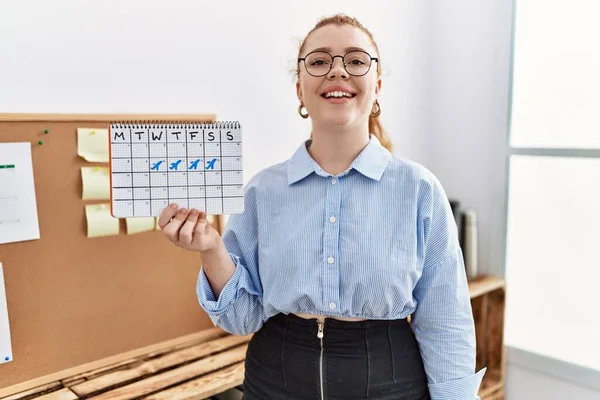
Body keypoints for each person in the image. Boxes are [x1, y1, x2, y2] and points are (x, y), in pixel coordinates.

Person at [158, 13, 486, 400]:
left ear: (376, 86)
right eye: (318, 61)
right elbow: (240, 317)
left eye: (356, 60)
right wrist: (211, 249)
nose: (337, 71)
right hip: (273, 378)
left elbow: (446, 321)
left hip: (390, 380)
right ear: (300, 89)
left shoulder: (419, 190)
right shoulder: (261, 191)